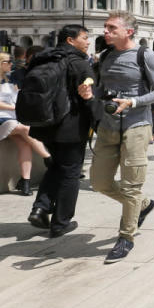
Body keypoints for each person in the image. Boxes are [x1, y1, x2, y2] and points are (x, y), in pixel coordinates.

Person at [90, 11, 154, 263]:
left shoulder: (146, 55)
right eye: (105, 27)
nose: (106, 31)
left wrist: (133, 101)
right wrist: (90, 91)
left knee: (131, 185)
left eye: (112, 28)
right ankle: (143, 204)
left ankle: (126, 237)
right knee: (99, 182)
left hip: (137, 125)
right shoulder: (106, 56)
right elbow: (103, 90)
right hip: (108, 125)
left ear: (129, 32)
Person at [26, 25, 95, 236]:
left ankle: (40, 208)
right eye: (84, 38)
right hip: (71, 127)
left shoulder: (43, 58)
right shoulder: (79, 63)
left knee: (57, 166)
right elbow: (89, 98)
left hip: (44, 125)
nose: (88, 42)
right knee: (71, 173)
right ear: (70, 41)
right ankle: (60, 222)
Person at [0, 53, 51, 196]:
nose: (11, 63)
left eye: (11, 61)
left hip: (12, 118)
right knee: (26, 129)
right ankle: (48, 158)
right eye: (8, 61)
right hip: (3, 118)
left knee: (25, 143)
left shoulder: (11, 78)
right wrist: (15, 108)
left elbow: (18, 97)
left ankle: (25, 181)